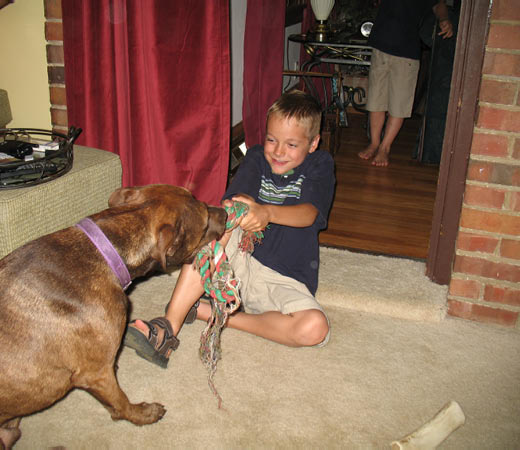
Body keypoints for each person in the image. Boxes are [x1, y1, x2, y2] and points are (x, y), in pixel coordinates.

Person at [124, 89, 336, 368]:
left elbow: (310, 214)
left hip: (284, 280)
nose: (279, 151)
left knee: (314, 327)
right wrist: (242, 206)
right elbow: (231, 202)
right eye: (272, 139)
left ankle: (213, 313)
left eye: (291, 144)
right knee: (218, 224)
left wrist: (266, 212)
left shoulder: (320, 164)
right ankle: (168, 327)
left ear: (312, 143)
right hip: (238, 266)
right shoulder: (258, 157)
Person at [358, 0, 453, 167]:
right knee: (375, 101)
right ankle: (374, 143)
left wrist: (444, 20)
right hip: (381, 45)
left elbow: (439, 4)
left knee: (399, 105)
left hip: (407, 51)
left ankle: (385, 148)